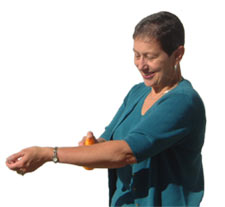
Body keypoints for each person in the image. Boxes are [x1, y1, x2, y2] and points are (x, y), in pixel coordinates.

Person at [6, 11, 206, 207]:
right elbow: (109, 141)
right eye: (136, 55)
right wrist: (91, 147)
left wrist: (48, 154)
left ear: (177, 54)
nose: (141, 65)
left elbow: (124, 153)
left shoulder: (182, 102)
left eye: (150, 57)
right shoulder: (137, 92)